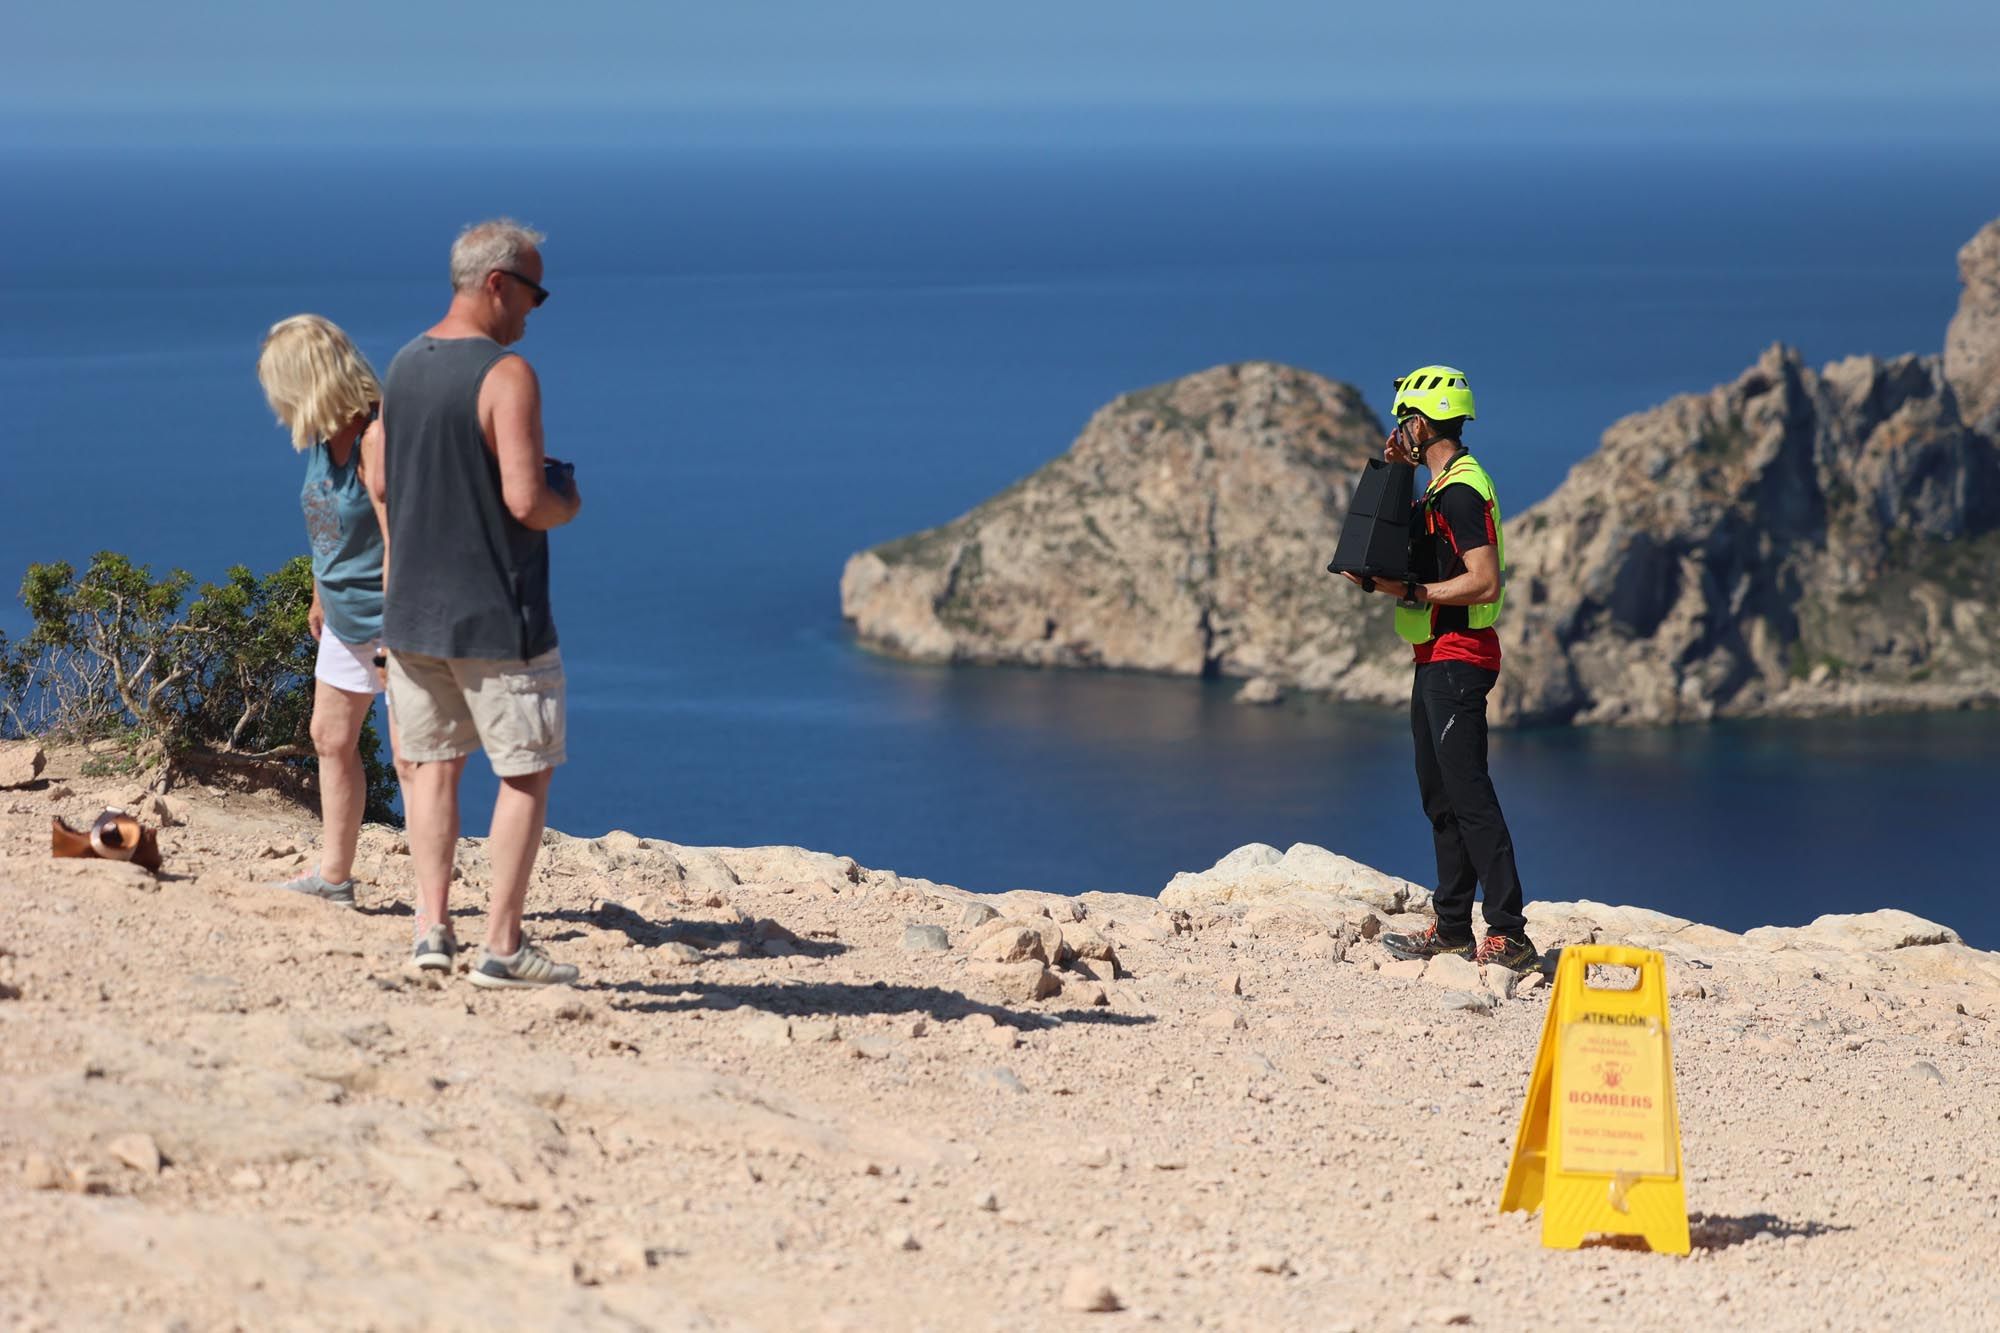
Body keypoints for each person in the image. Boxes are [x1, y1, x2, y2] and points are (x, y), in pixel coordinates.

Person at [370, 218, 582, 989]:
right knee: (524, 771)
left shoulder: (403, 365)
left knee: (430, 772)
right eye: (534, 289)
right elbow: (526, 500)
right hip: (498, 615)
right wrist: (570, 498)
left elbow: (385, 482)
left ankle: (430, 929)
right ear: (497, 283)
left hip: (413, 613)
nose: (536, 307)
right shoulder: (507, 375)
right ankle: (502, 943)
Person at [1344, 365, 1537, 970]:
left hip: (1461, 657)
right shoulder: (1435, 485)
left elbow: (1483, 580)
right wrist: (1385, 578)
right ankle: (1452, 926)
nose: (1398, 428)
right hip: (1433, 656)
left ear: (1424, 422)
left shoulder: (1458, 489)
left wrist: (1413, 594)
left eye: (1404, 418)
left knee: (1470, 795)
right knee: (1441, 798)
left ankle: (1510, 931)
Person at [255, 314, 402, 907]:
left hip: (393, 620)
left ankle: (434, 903)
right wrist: (319, 590)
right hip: (343, 618)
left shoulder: (378, 437)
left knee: (415, 758)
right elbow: (324, 522)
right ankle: (335, 878)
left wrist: (395, 633)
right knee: (330, 737)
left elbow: (402, 541)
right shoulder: (320, 440)